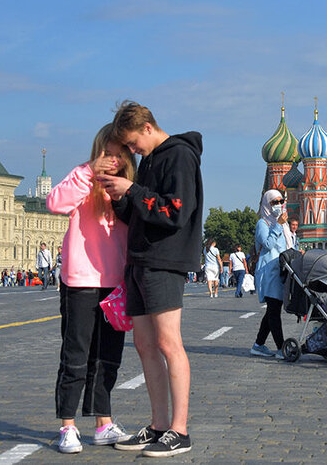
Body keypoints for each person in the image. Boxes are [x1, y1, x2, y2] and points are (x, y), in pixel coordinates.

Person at [100, 101, 203, 456]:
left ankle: (180, 430)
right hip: (139, 260)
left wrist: (132, 190)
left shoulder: (180, 156)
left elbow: (174, 211)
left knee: (169, 344)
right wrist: (118, 196)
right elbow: (140, 213)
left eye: (132, 144)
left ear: (147, 127)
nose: (132, 151)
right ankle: (158, 425)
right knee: (144, 346)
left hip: (164, 260)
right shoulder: (148, 161)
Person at [46, 123, 137, 453]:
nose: (111, 161)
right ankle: (67, 426)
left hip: (115, 284)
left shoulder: (128, 188)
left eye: (118, 155)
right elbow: (55, 202)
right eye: (106, 154)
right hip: (81, 282)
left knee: (107, 357)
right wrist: (88, 172)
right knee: (75, 356)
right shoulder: (82, 181)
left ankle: (103, 422)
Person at [250, 189, 291, 359]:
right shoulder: (263, 223)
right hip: (269, 271)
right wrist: (278, 225)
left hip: (280, 270)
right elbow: (267, 244)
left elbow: (285, 246)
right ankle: (281, 348)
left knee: (272, 310)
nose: (279, 205)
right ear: (267, 204)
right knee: (274, 310)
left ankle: (258, 345)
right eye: (275, 202)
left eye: (281, 201)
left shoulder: (282, 224)